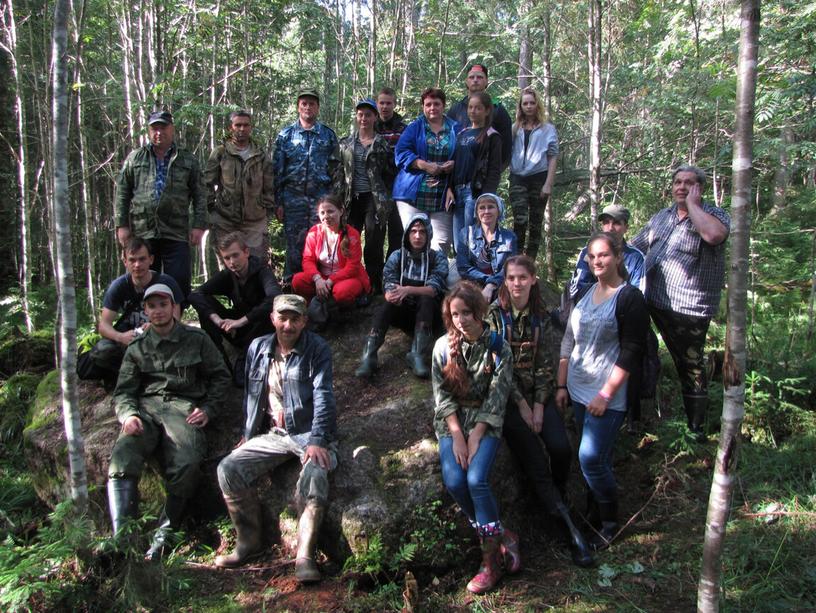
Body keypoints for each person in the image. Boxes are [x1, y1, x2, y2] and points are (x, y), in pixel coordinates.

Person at [214, 294, 337, 584]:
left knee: (316, 473)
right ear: (272, 319)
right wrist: (248, 435)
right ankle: (248, 541)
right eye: (283, 318)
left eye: (295, 318)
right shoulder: (258, 348)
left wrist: (319, 438)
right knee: (228, 469)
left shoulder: (317, 349)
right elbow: (252, 396)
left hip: (309, 432)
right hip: (274, 434)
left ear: (304, 321)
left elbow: (324, 396)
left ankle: (304, 555)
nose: (288, 324)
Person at [106, 283, 231, 561]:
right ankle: (122, 542)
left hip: (182, 408)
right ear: (145, 310)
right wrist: (129, 415)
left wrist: (208, 409)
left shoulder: (196, 339)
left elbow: (221, 376)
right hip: (146, 409)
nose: (158, 311)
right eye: (152, 306)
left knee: (187, 462)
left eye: (164, 304)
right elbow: (124, 390)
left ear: (174, 307)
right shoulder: (137, 347)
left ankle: (164, 536)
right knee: (123, 455)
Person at [487, 256, 594, 567]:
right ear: (505, 281)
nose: (517, 283)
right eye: (511, 278)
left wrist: (537, 405)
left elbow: (547, 362)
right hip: (507, 400)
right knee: (534, 458)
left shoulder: (542, 315)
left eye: (523, 277)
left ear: (533, 279)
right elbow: (499, 368)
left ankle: (557, 497)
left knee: (560, 448)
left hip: (539, 396)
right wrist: (521, 405)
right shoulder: (495, 316)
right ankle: (569, 531)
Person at [556, 233, 648, 549]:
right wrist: (561, 383)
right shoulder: (585, 292)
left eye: (604, 255)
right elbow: (569, 339)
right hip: (578, 388)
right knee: (598, 458)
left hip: (606, 394)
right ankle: (593, 512)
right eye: (592, 256)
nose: (597, 261)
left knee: (590, 457)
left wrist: (606, 394)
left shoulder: (629, 298)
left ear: (618, 257)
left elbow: (632, 350)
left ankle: (610, 523)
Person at [630, 165, 730, 440]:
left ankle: (696, 428)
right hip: (653, 299)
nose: (681, 187)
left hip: (688, 308)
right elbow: (634, 247)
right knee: (634, 348)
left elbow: (713, 236)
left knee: (690, 363)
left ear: (699, 189)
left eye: (689, 183)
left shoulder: (713, 215)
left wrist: (694, 206)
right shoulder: (662, 217)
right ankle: (635, 415)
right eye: (677, 182)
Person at [431, 281, 517, 594]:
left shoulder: (498, 346)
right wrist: (456, 436)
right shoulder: (442, 347)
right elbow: (441, 397)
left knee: (476, 479)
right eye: (455, 314)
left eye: (467, 312)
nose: (462, 319)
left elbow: (498, 395)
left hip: (486, 420)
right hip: (453, 423)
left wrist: (477, 434)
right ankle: (499, 533)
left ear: (479, 312)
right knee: (455, 480)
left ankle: (489, 561)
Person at [115, 110, 207, 297]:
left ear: (172, 129)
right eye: (154, 128)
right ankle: (143, 323)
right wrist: (121, 225)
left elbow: (200, 194)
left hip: (176, 230)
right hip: (143, 230)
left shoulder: (187, 159)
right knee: (142, 280)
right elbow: (122, 193)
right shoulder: (135, 158)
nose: (159, 132)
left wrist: (199, 225)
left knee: (179, 281)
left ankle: (176, 323)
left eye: (163, 128)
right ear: (149, 131)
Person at [77, 238, 183, 384]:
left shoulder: (166, 283)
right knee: (103, 351)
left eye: (142, 259)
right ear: (125, 262)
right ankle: (128, 377)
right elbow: (104, 326)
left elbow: (176, 320)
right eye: (132, 260)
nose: (137, 265)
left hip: (159, 339)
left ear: (151, 260)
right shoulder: (119, 286)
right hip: (128, 341)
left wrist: (155, 328)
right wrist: (121, 337)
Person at [355, 213, 448, 380]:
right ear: (407, 234)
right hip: (404, 312)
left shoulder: (437, 257)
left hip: (429, 316)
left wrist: (407, 290)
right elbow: (389, 281)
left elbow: (434, 288)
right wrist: (391, 293)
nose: (418, 236)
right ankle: (369, 355)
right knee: (386, 304)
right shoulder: (397, 256)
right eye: (413, 231)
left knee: (427, 299)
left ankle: (417, 354)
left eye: (422, 231)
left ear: (428, 234)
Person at [188, 232, 282, 381]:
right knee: (204, 304)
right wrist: (218, 320)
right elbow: (196, 294)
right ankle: (219, 358)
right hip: (236, 329)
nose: (232, 262)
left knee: (268, 314)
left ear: (246, 252)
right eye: (227, 258)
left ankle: (244, 360)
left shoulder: (262, 271)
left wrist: (242, 321)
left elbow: (275, 298)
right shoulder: (228, 275)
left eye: (235, 255)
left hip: (259, 328)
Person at [273, 89, 341, 277]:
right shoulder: (285, 136)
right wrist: (278, 202)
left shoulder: (327, 135)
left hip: (321, 201)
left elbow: (336, 170)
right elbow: (277, 170)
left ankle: (319, 291)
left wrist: (335, 202)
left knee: (321, 244)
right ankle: (291, 289)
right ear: (298, 107)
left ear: (318, 107)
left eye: (312, 103)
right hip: (292, 200)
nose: (308, 107)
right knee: (294, 246)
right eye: (304, 103)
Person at [393, 87, 459, 255]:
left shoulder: (455, 129)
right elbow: (400, 153)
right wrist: (424, 165)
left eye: (436, 104)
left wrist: (454, 163)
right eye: (428, 104)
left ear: (443, 105)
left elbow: (464, 155)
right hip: (413, 193)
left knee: (442, 242)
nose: (432, 108)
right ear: (423, 106)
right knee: (415, 239)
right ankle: (413, 279)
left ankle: (434, 280)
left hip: (443, 193)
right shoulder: (415, 127)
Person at [337, 98, 394, 294]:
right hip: (351, 199)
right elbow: (338, 172)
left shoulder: (382, 144)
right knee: (348, 241)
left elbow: (389, 172)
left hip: (374, 200)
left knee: (374, 242)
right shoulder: (345, 143)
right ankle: (350, 281)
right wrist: (338, 201)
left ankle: (374, 284)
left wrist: (385, 198)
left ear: (375, 117)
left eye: (368, 115)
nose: (364, 118)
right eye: (360, 114)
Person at [204, 110, 275, 261]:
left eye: (245, 125)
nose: (242, 129)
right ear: (231, 127)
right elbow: (207, 184)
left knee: (256, 264)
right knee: (229, 266)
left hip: (254, 222)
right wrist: (212, 210)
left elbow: (269, 187)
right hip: (226, 220)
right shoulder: (220, 153)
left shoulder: (261, 155)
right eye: (238, 125)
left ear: (250, 127)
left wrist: (264, 210)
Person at [291, 195, 370, 325]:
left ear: (341, 211)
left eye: (330, 211)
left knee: (342, 292)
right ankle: (315, 310)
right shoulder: (314, 232)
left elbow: (352, 267)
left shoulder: (352, 234)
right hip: (321, 278)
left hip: (347, 278)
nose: (326, 216)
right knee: (297, 280)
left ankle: (339, 308)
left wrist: (330, 281)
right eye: (322, 212)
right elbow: (307, 260)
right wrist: (317, 279)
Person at [447, 92, 503, 255]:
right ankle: (461, 274)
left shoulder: (491, 136)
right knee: (458, 240)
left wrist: (486, 196)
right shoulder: (461, 133)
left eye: (478, 108)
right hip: (457, 191)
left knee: (473, 238)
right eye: (471, 107)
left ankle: (476, 276)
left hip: (475, 192)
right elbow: (455, 163)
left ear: (487, 111)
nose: (473, 111)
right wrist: (449, 188)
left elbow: (494, 169)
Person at [508, 87, 559, 260]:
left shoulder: (548, 129)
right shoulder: (515, 128)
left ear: (537, 104)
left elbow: (552, 156)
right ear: (520, 106)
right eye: (525, 103)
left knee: (536, 223)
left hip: (539, 178)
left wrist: (548, 184)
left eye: (532, 102)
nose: (529, 106)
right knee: (520, 220)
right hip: (517, 178)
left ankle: (529, 262)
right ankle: (516, 259)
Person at [568, 204, 644, 299]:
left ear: (626, 227)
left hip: (622, 310)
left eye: (616, 223)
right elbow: (578, 288)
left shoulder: (635, 257)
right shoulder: (588, 252)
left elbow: (638, 293)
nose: (610, 228)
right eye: (606, 222)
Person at [447, 63, 513, 168]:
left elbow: (506, 147)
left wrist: (493, 174)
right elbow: (447, 140)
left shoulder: (497, 110)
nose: (475, 80)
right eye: (471, 77)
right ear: (466, 81)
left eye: (480, 77)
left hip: (485, 175)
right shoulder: (456, 110)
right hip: (458, 172)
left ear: (487, 81)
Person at [456, 193, 517, 303]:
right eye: (482, 208)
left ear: (498, 210)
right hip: (472, 284)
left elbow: (510, 268)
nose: (486, 211)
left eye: (491, 207)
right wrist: (488, 281)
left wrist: (491, 285)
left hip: (500, 285)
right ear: (477, 212)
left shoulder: (509, 237)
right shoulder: (465, 233)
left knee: (504, 299)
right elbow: (463, 267)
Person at [374, 87, 408, 257]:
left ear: (394, 104)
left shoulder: (404, 129)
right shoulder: (370, 126)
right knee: (375, 236)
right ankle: (375, 279)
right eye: (382, 103)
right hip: (374, 189)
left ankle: (391, 276)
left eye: (388, 103)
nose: (385, 107)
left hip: (397, 189)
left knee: (397, 234)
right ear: (377, 104)